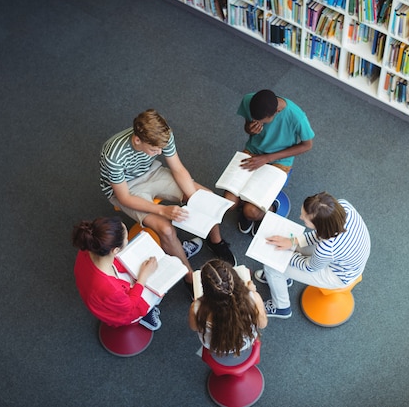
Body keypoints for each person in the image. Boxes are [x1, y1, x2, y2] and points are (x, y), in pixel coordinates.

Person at [99, 109, 236, 285]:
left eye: (160, 149)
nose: (159, 153)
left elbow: (177, 168)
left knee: (206, 197)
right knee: (166, 229)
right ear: (137, 140)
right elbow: (124, 197)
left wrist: (196, 198)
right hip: (126, 188)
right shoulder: (114, 155)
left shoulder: (164, 135)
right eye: (154, 149)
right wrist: (162, 210)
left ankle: (215, 241)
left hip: (152, 172)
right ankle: (189, 278)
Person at [255, 192, 371, 319]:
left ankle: (281, 307)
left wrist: (287, 254)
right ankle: (283, 278)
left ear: (320, 226)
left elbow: (309, 267)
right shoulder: (343, 207)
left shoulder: (327, 247)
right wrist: (292, 242)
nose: (300, 217)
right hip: (349, 256)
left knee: (272, 266)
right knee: (294, 250)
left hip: (338, 275)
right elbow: (320, 235)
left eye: (305, 218)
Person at [224, 89, 315, 235]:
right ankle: (252, 203)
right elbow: (247, 127)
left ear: (277, 111)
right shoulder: (249, 100)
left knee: (251, 212)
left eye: (263, 122)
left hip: (280, 160)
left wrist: (268, 158)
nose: (260, 123)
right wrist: (250, 129)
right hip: (254, 150)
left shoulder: (297, 117)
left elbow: (307, 145)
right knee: (229, 203)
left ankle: (271, 207)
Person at [72, 216, 163, 330]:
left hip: (93, 294)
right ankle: (145, 316)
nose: (127, 240)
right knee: (159, 285)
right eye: (126, 239)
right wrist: (143, 276)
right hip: (119, 311)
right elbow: (130, 306)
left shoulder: (88, 247)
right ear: (115, 250)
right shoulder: (111, 288)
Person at [189, 259, 268, 366]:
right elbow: (263, 324)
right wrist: (252, 292)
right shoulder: (252, 299)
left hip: (215, 346)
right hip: (245, 344)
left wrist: (197, 304)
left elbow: (194, 327)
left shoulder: (197, 307)